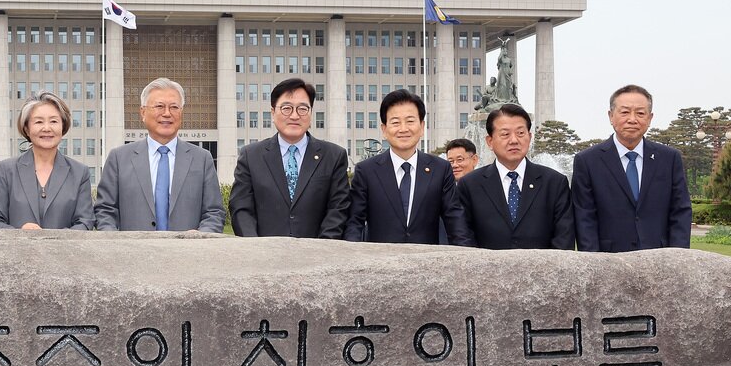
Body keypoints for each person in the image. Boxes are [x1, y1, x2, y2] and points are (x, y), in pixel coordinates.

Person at [95, 78, 225, 232]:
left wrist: (199, 240)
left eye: (174, 107)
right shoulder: (119, 158)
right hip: (132, 252)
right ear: (143, 112)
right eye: (159, 106)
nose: (167, 113)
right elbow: (105, 211)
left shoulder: (202, 159)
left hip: (188, 252)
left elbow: (214, 212)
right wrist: (118, 243)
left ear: (181, 112)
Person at [572, 84, 691, 251]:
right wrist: (594, 263)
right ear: (611, 116)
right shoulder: (587, 161)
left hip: (660, 261)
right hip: (609, 262)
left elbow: (680, 211)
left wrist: (678, 257)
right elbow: (585, 217)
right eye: (625, 112)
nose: (632, 119)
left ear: (650, 118)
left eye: (640, 113)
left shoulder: (669, 158)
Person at [344, 89, 470, 245]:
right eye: (395, 122)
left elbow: (455, 219)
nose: (403, 129)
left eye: (410, 121)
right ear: (384, 129)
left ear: (422, 126)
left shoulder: (440, 168)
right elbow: (354, 222)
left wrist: (464, 254)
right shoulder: (366, 170)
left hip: (427, 262)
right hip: (379, 263)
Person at [228, 77, 349, 238]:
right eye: (286, 108)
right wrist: (255, 248)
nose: (294, 115)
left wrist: (321, 249)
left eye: (302, 109)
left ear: (311, 112)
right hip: (263, 255)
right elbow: (241, 207)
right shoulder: (251, 156)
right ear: (273, 112)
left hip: (318, 256)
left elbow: (338, 209)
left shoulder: (333, 156)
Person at [458, 103, 574, 250]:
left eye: (520, 133)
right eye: (505, 134)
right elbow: (463, 239)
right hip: (487, 271)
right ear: (490, 141)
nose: (514, 140)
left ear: (530, 137)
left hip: (542, 271)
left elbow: (564, 239)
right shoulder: (470, 185)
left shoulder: (555, 183)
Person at [0, 93, 95, 230]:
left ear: (63, 126)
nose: (47, 128)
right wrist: (20, 234)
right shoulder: (7, 170)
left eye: (54, 121)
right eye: (39, 122)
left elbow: (85, 222)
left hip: (65, 251)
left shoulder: (80, 172)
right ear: (26, 128)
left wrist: (53, 240)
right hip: (16, 249)